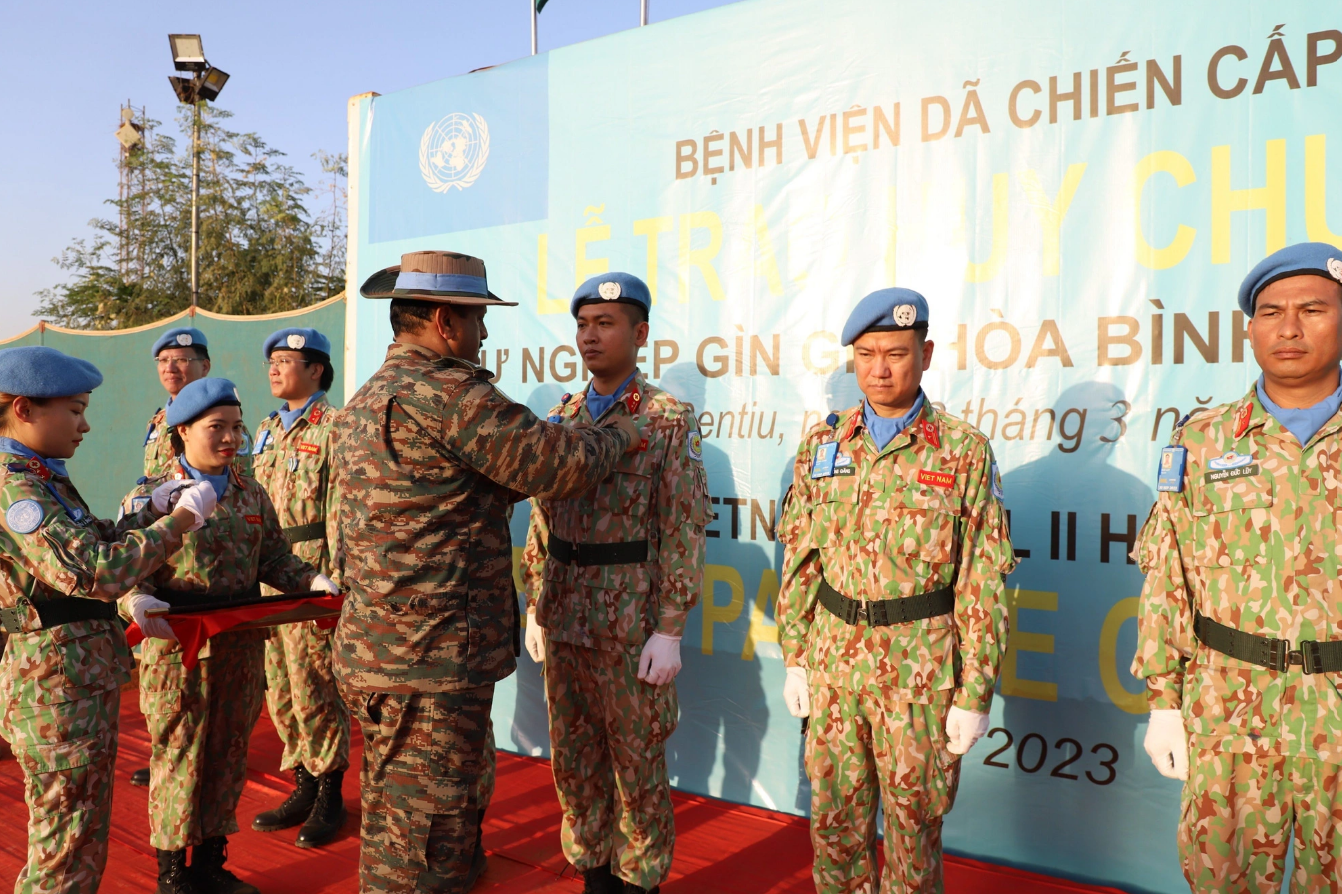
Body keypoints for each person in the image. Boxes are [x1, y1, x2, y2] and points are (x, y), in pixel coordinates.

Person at [331, 250, 641, 894]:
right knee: (414, 840)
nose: (484, 334)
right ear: (445, 320)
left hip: (385, 649)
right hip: (430, 659)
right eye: (477, 319)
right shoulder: (448, 391)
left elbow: (447, 494)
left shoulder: (367, 398)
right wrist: (621, 434)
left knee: (415, 810)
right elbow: (557, 467)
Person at [776, 288, 1015, 893]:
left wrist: (974, 691)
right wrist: (796, 657)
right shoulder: (822, 447)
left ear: (926, 354)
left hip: (919, 673)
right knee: (834, 831)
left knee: (914, 834)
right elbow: (801, 560)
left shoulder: (962, 451)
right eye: (866, 354)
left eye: (896, 354)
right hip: (834, 668)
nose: (880, 369)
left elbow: (982, 579)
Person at [1135, 242, 1342, 892]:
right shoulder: (1203, 440)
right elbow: (1168, 576)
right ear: (1249, 329)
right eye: (1271, 311)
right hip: (1229, 714)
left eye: (1313, 309)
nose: (1289, 327)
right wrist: (1163, 700)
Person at [0, 345, 216, 894]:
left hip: (72, 683)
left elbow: (87, 537)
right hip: (55, 693)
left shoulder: (39, 474)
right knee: (63, 850)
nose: (86, 425)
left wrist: (152, 511)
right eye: (74, 410)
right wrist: (180, 524)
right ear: (24, 409)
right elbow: (90, 571)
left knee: (78, 838)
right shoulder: (15, 487)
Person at [520, 272, 710, 894]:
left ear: (640, 333)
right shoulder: (562, 419)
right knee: (574, 764)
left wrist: (671, 627)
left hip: (631, 621)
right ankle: (593, 871)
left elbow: (682, 527)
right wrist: (533, 605)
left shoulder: (665, 419)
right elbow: (542, 521)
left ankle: (639, 878)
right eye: (583, 325)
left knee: (636, 764)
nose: (590, 336)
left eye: (606, 324)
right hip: (565, 610)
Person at [123, 377, 337, 894]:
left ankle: (211, 863)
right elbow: (124, 570)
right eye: (216, 428)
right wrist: (134, 600)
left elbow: (274, 558)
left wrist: (309, 578)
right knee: (180, 755)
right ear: (181, 433)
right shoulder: (149, 497)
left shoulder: (250, 490)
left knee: (227, 754)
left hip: (241, 644)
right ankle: (173, 871)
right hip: (178, 649)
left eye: (236, 427)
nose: (230, 439)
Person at [248, 328, 350, 849]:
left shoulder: (335, 427)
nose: (274, 367)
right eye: (272, 359)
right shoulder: (263, 430)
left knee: (315, 685)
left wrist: (334, 584)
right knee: (281, 686)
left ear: (316, 369)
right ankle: (303, 783)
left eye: (286, 359)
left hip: (312, 571)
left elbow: (341, 511)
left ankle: (330, 789)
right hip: (267, 575)